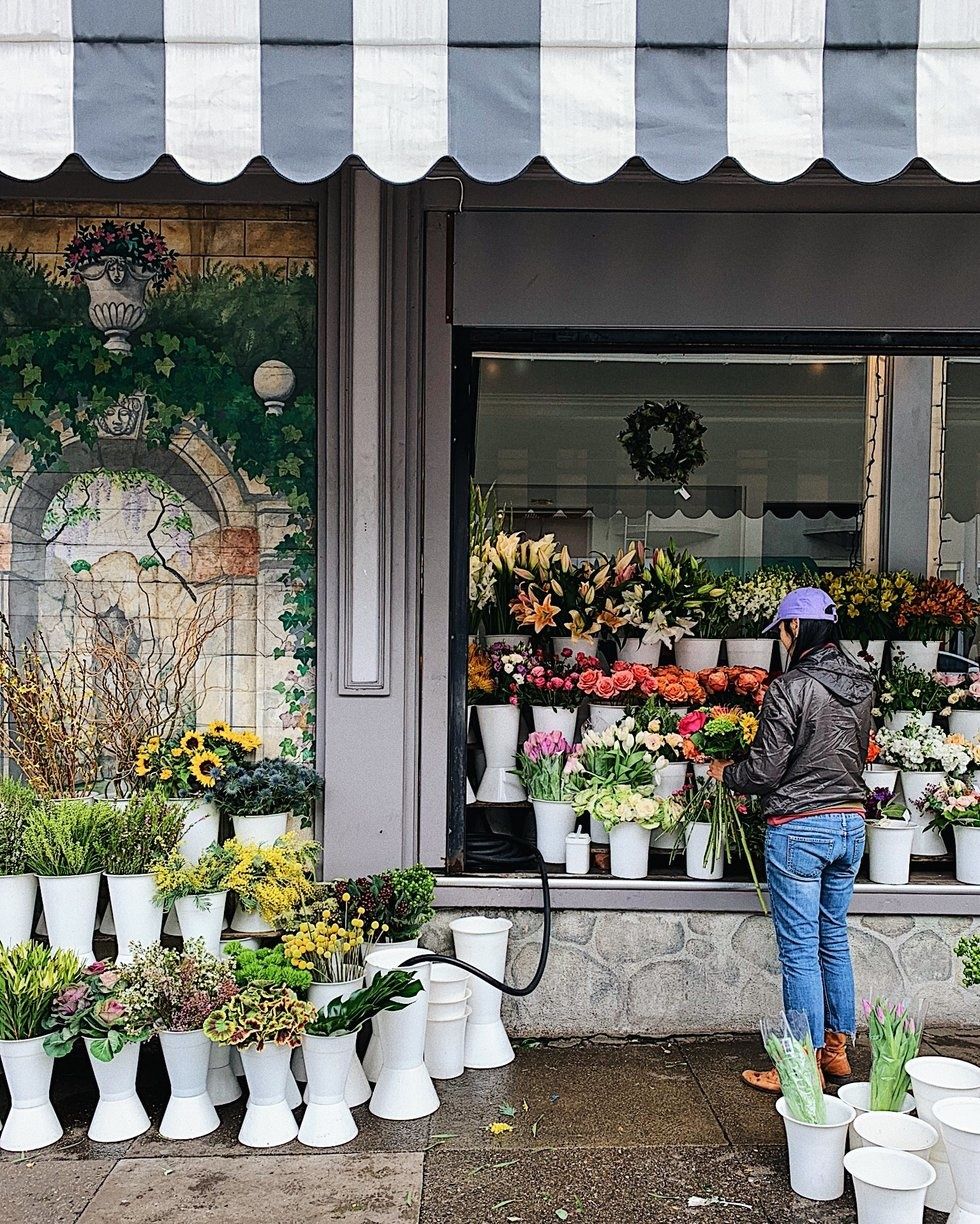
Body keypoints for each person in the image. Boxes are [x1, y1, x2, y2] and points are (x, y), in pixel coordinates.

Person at [708, 587, 874, 1092]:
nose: (780, 640)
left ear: (796, 628)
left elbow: (766, 769)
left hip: (801, 828)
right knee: (832, 940)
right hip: (851, 823)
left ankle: (801, 1066)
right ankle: (836, 1052)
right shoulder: (864, 683)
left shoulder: (789, 687)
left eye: (781, 630)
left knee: (800, 950)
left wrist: (725, 771)